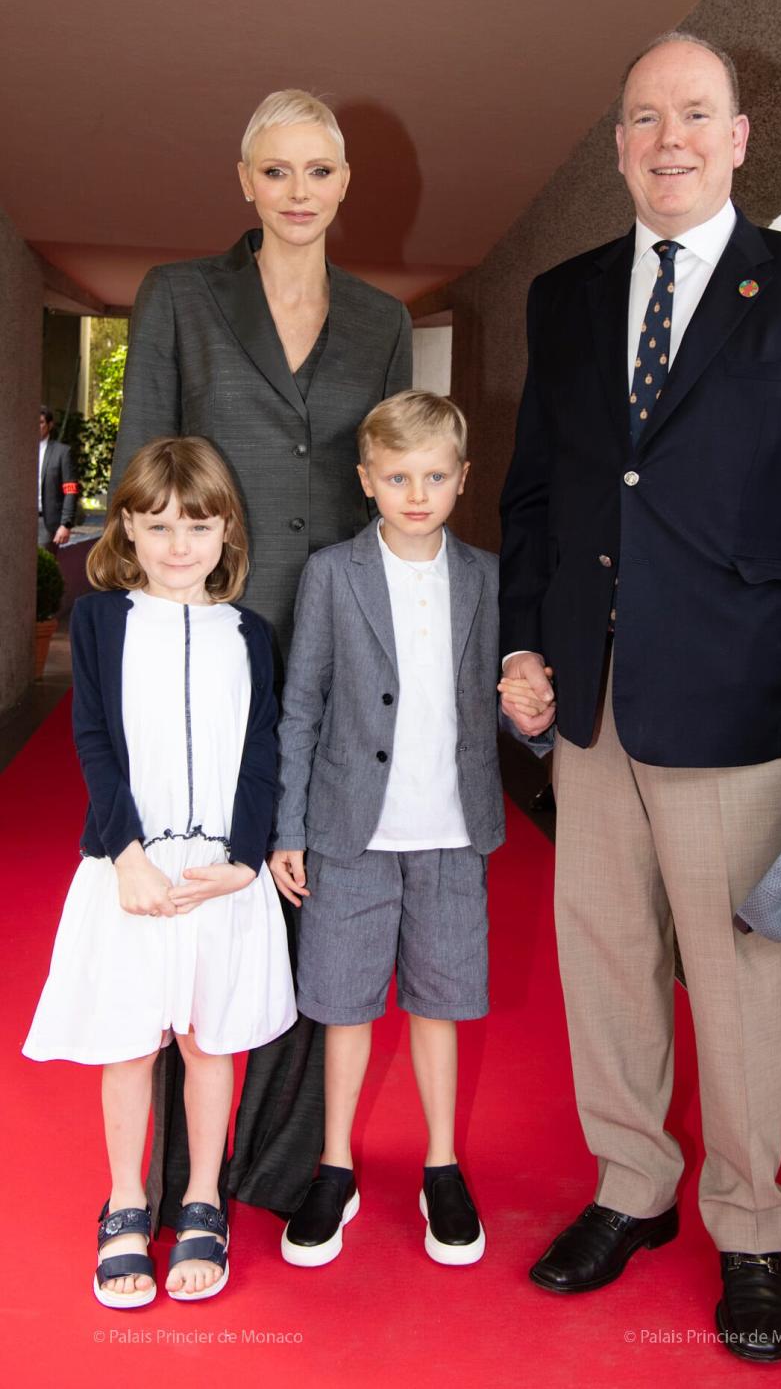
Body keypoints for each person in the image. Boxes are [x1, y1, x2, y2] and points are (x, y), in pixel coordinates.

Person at [498, 32, 781, 1364]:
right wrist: (521, 646)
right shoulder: (564, 299)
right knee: (606, 966)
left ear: (740, 135)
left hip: (742, 700)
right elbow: (538, 499)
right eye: (643, 118)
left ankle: (749, 1226)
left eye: (695, 115)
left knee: (742, 979)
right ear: (617, 144)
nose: (668, 139)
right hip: (591, 705)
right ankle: (633, 1185)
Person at [110, 89, 413, 1223]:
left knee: (301, 904)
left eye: (318, 171)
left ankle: (277, 1168)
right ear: (244, 180)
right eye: (275, 171)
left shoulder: (381, 320)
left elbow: (388, 490)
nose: (298, 193)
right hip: (206, 641)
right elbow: (146, 471)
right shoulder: (181, 298)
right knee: (191, 898)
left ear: (345, 183)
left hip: (334, 646)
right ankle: (167, 1183)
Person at [23, 437, 296, 1307]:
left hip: (219, 876)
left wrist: (244, 863)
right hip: (130, 870)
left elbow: (264, 753)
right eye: (159, 524)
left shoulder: (251, 633)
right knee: (131, 1042)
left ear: (227, 531)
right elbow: (93, 741)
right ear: (128, 530)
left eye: (199, 523)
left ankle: (205, 1199)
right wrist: (125, 855)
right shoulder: (102, 622)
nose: (181, 544)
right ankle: (128, 1204)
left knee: (208, 1039)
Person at [268, 390, 504, 1267]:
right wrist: (288, 826)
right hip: (347, 830)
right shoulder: (333, 573)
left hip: (450, 830)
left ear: (462, 480)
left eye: (435, 476)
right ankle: (335, 1165)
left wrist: (532, 712)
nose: (417, 492)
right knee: (343, 1003)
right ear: (366, 480)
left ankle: (442, 1164)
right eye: (398, 475)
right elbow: (301, 707)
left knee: (441, 1002)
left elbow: (503, 695)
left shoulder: (484, 574)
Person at [38, 406, 78, 548]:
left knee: (42, 568)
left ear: (50, 425)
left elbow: (70, 490)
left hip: (47, 524)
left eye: (41, 422)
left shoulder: (62, 452)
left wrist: (66, 524)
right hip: (19, 522)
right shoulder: (19, 451)